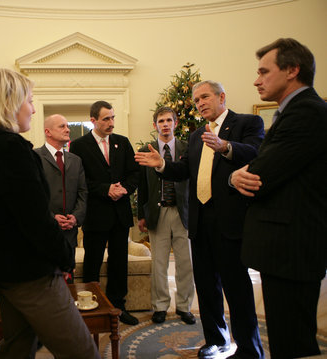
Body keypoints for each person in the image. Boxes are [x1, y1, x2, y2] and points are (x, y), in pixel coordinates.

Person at [0, 68, 99, 359]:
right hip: (31, 272)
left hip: (6, 268)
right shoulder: (10, 149)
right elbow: (35, 221)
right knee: (84, 352)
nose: (33, 109)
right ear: (10, 103)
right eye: (29, 100)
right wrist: (65, 257)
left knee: (18, 347)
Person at [135, 81, 264, 359]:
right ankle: (217, 341)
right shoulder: (195, 136)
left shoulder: (247, 123)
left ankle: (250, 350)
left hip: (229, 222)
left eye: (204, 97)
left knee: (237, 289)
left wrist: (226, 146)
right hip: (199, 222)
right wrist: (161, 165)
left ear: (221, 97)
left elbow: (256, 153)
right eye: (195, 101)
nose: (200, 103)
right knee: (206, 287)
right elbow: (183, 170)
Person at [231, 38, 327, 358]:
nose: (256, 80)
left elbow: (262, 175)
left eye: (263, 71)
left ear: (292, 70)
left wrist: (236, 175)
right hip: (286, 249)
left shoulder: (307, 112)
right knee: (286, 337)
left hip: (293, 250)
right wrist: (237, 174)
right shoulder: (292, 111)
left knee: (293, 343)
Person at [69, 100, 140, 325]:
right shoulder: (79, 145)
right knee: (92, 263)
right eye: (106, 119)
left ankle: (118, 307)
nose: (111, 123)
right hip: (95, 216)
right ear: (93, 120)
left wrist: (125, 189)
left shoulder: (122, 142)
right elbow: (80, 180)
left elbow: (134, 173)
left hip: (120, 214)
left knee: (120, 263)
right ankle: (91, 308)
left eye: (112, 117)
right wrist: (105, 189)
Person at [137, 107, 195, 325]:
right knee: (159, 264)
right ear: (155, 125)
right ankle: (160, 306)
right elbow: (142, 186)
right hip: (157, 212)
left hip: (183, 213)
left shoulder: (187, 149)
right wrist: (142, 214)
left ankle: (184, 306)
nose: (165, 124)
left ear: (175, 123)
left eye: (169, 120)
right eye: (161, 121)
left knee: (185, 263)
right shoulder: (146, 150)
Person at [34, 114, 87, 283]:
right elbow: (32, 195)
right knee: (46, 287)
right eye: (62, 126)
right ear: (48, 132)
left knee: (68, 285)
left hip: (69, 234)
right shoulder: (34, 157)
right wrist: (50, 218)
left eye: (67, 126)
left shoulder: (76, 160)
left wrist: (76, 217)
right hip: (45, 233)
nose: (68, 129)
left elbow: (83, 192)